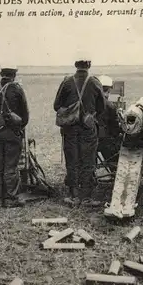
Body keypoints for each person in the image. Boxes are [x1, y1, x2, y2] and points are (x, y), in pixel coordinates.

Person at [53, 54, 105, 207]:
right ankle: (87, 197)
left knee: (72, 160)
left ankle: (74, 196)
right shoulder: (95, 83)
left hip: (70, 129)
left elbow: (56, 105)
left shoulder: (67, 82)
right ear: (89, 64)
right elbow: (101, 107)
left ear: (75, 64)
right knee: (88, 161)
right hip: (88, 129)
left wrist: (70, 110)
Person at [0, 65, 29, 207]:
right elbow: (25, 116)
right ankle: (11, 199)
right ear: (14, 75)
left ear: (1, 73)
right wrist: (18, 128)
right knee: (11, 166)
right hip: (12, 134)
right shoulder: (17, 89)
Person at [96, 75, 122, 173]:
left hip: (89, 141)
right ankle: (114, 172)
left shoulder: (89, 103)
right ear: (108, 90)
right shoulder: (110, 106)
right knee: (117, 145)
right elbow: (114, 128)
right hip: (104, 142)